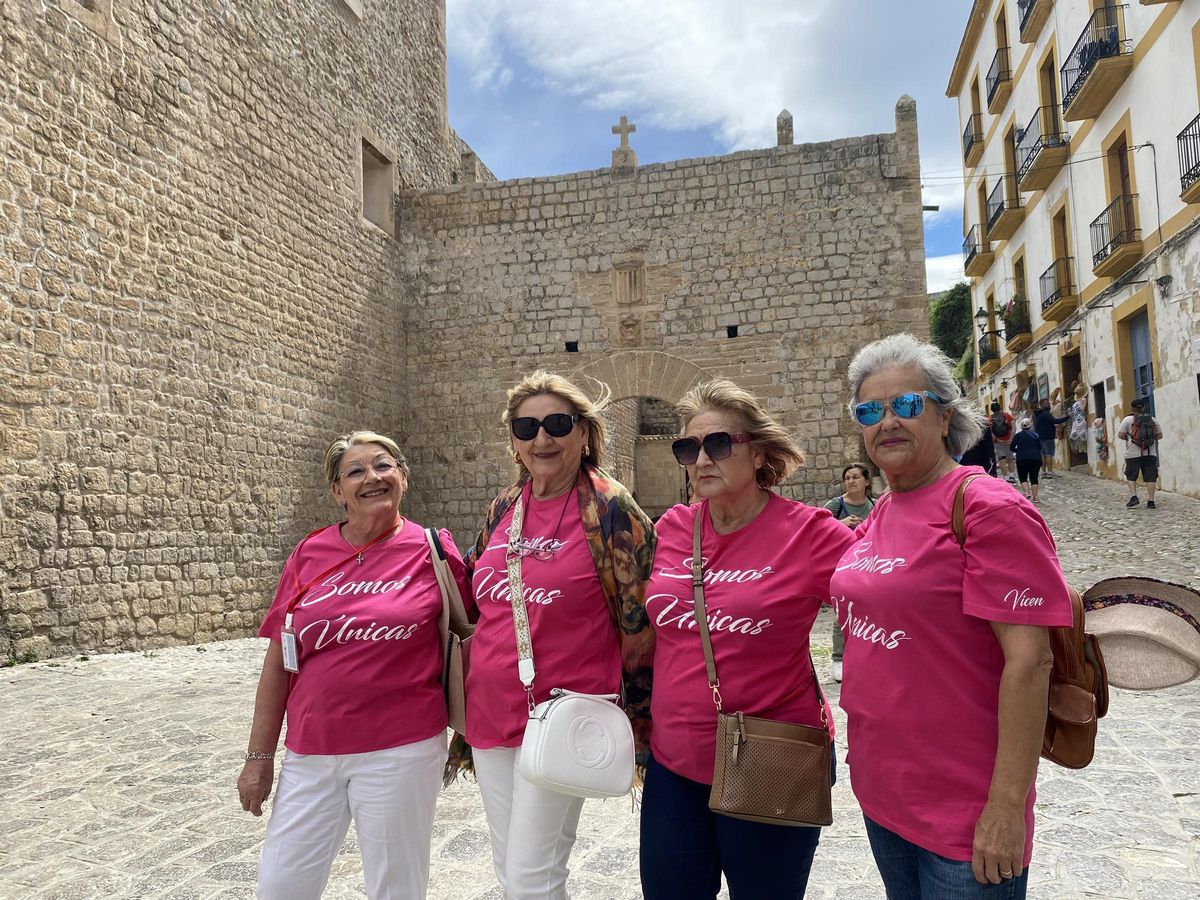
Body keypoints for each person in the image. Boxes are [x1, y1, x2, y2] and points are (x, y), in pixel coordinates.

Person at [831, 333, 1072, 899]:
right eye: (870, 410)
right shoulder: (884, 508)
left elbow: (1029, 662)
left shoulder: (987, 508)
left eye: (907, 405)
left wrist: (1007, 809)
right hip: (885, 795)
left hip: (964, 814)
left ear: (944, 417)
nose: (887, 421)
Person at [639, 379, 855, 900]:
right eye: (688, 448)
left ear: (758, 453)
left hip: (770, 756)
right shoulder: (673, 528)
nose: (701, 460)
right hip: (675, 762)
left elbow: (887, 590)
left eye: (718, 444)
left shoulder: (809, 533)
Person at [452, 371, 655, 900]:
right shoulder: (504, 508)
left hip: (565, 716)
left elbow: (642, 618)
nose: (542, 438)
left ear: (584, 433)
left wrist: (644, 723)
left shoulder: (611, 509)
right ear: (514, 441)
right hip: (492, 713)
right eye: (527, 427)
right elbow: (473, 594)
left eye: (557, 423)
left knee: (530, 877)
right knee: (511, 867)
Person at [239, 431, 467, 900]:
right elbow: (279, 661)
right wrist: (259, 758)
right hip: (311, 750)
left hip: (401, 750)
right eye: (356, 471)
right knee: (281, 887)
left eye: (384, 466)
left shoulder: (434, 550)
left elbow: (474, 636)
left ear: (403, 476)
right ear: (337, 492)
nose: (372, 478)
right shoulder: (308, 554)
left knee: (396, 888)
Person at [823, 462, 876, 682]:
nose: (851, 481)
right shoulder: (835, 505)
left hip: (868, 565)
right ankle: (839, 660)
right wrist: (842, 523)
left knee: (870, 612)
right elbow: (820, 530)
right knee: (843, 611)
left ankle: (866, 658)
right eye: (847, 477)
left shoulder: (875, 505)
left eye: (855, 477)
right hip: (842, 565)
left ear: (866, 481)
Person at [1117, 397, 1163, 509]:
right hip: (1150, 453)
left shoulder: (1127, 420)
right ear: (1144, 407)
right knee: (1151, 477)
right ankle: (1151, 501)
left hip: (1133, 453)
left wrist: (1131, 438)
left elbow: (1120, 435)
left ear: (1132, 408)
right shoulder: (1152, 419)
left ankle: (1134, 496)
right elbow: (1160, 435)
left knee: (1131, 475)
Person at [1033, 399, 1069, 478]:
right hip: (1048, 437)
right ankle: (1050, 472)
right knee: (1049, 454)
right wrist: (1068, 417)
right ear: (1043, 404)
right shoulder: (1045, 413)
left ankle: (1043, 472)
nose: (1049, 404)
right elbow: (1055, 421)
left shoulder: (1037, 413)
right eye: (1047, 403)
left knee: (1042, 455)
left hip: (1039, 437)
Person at [1010, 417, 1043, 502]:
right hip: (1035, 459)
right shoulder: (1036, 435)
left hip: (1022, 459)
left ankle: (1027, 492)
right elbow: (1039, 447)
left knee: (1023, 477)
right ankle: (1035, 497)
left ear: (1021, 426)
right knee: (1034, 478)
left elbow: (1011, 447)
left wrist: (1018, 451)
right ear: (1030, 426)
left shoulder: (1018, 436)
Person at [987, 401, 1016, 483]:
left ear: (992, 410)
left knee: (1002, 459)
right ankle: (1012, 475)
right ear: (1000, 407)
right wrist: (1011, 438)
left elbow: (990, 432)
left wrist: (997, 440)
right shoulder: (1007, 415)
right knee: (1010, 459)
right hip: (1008, 441)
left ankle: (1005, 477)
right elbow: (1014, 428)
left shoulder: (990, 419)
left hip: (998, 442)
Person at [1068, 385, 1089, 461]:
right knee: (1083, 438)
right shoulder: (1083, 400)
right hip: (1081, 420)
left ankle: (1081, 451)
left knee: (1077, 437)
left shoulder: (1074, 404)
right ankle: (1083, 452)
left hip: (1076, 421)